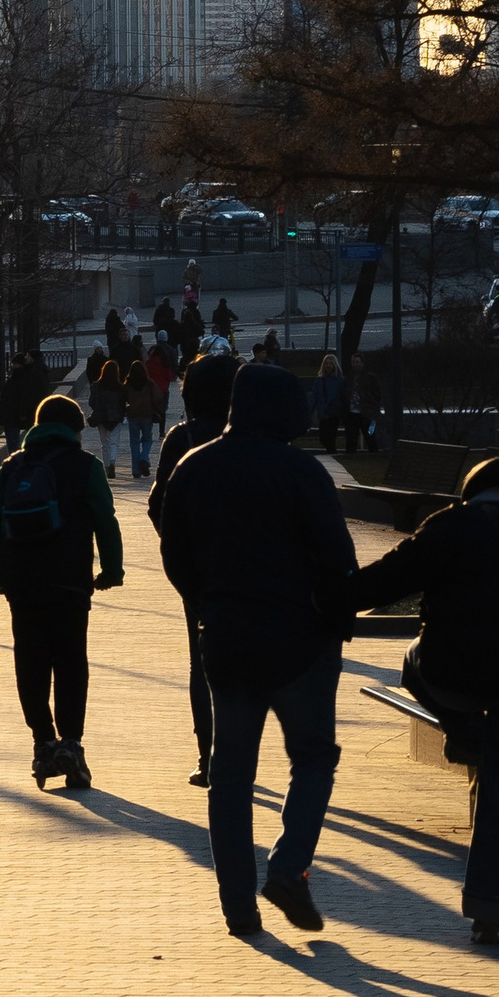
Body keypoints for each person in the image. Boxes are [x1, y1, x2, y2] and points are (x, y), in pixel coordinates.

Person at [348, 454, 499, 943]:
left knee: (415, 659)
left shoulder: (451, 525)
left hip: (453, 675)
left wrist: (317, 597)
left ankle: (466, 731)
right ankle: (494, 913)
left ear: (472, 489)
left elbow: (383, 582)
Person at [157, 358, 358, 936]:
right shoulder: (302, 472)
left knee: (231, 774)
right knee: (314, 758)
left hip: (227, 642)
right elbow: (338, 559)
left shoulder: (195, 467)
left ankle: (237, 907)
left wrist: (210, 603)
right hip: (301, 647)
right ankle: (289, 868)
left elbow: (176, 555)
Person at [0, 389, 126, 789]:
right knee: (69, 661)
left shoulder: (10, 469)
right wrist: (111, 571)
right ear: (75, 430)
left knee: (29, 661)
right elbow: (105, 520)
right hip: (70, 583)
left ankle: (42, 741)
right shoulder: (86, 466)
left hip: (23, 585)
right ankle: (71, 744)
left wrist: (2, 572)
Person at [145, 345, 234, 778]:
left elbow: (156, 504)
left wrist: (177, 550)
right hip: (256, 570)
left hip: (198, 572)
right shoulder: (253, 436)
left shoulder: (182, 438)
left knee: (202, 660)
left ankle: (209, 756)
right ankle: (239, 752)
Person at [84, 346, 129, 476]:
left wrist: (96, 408)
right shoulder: (120, 387)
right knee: (114, 441)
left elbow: (91, 402)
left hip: (101, 417)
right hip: (116, 417)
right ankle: (113, 461)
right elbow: (124, 402)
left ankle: (107, 465)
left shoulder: (96, 386)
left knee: (104, 443)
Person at [121, 347, 160, 480]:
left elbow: (123, 398)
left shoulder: (128, 384)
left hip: (133, 415)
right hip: (147, 414)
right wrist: (157, 409)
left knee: (134, 442)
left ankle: (135, 470)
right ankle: (144, 458)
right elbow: (157, 397)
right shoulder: (149, 383)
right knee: (148, 439)